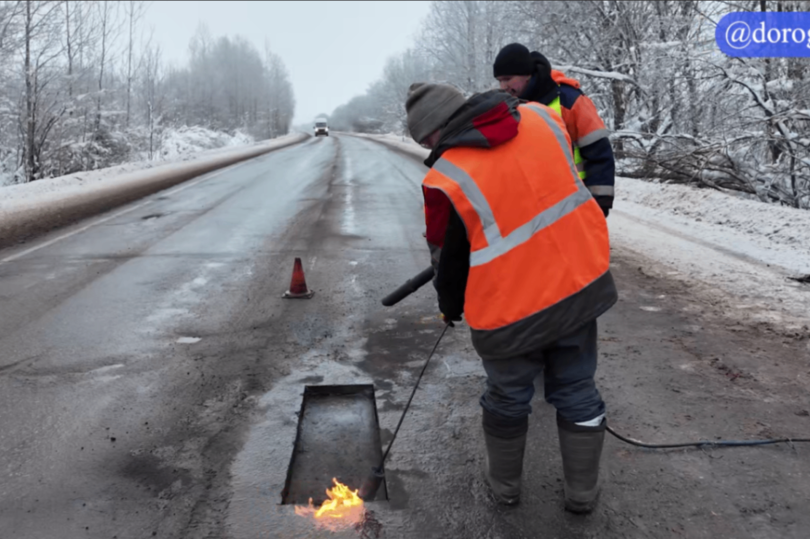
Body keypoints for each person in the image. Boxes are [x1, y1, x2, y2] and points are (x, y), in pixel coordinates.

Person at [405, 82, 618, 513]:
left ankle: (504, 487)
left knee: (507, 396)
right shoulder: (542, 117)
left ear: (438, 128)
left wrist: (450, 307)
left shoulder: (446, 175)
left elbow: (448, 259)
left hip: (510, 310)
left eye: (426, 139)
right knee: (577, 387)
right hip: (576, 284)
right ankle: (581, 494)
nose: (429, 148)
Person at [493, 43, 615, 218]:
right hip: (531, 209)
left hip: (574, 203)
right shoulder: (507, 106)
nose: (503, 86)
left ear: (527, 75)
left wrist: (600, 203)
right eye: (500, 80)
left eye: (508, 78)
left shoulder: (569, 100)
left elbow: (599, 152)